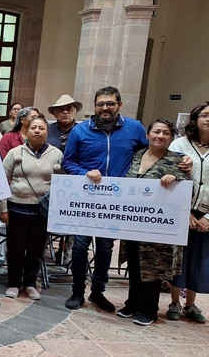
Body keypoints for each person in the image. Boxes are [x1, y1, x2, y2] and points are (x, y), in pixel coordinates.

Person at [62, 86, 150, 311]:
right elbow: (68, 161)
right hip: (86, 198)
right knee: (80, 245)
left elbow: (149, 156)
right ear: (95, 106)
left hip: (115, 201)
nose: (105, 108)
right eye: (100, 104)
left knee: (105, 248)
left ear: (119, 105)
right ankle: (77, 291)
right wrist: (85, 173)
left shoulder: (134, 128)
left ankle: (98, 292)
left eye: (110, 103)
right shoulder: (81, 130)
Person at [115, 118, 188, 326]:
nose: (160, 136)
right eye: (156, 132)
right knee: (135, 264)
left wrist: (176, 178)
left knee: (152, 267)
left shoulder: (177, 161)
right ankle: (133, 303)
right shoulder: (137, 155)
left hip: (158, 225)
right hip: (134, 221)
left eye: (166, 133)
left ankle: (150, 309)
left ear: (171, 137)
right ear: (147, 135)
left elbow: (186, 191)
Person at [0, 116, 62, 300]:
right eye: (33, 127)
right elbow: (2, 180)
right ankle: (13, 283)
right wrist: (3, 208)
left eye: (41, 128)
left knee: (36, 250)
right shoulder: (15, 152)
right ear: (26, 131)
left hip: (42, 211)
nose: (37, 131)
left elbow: (61, 183)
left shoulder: (56, 153)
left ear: (47, 132)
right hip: (17, 208)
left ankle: (29, 283)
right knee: (16, 248)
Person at [167, 101, 209, 324]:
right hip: (181, 210)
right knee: (178, 258)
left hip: (206, 215)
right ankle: (174, 301)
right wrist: (185, 213)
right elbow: (171, 178)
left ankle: (190, 304)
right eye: (204, 115)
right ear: (195, 119)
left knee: (198, 260)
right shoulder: (180, 145)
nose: (208, 119)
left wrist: (208, 217)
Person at [46, 94, 82, 266]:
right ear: (54, 113)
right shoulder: (47, 129)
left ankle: (65, 250)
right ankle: (44, 249)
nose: (65, 112)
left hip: (74, 182)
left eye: (69, 109)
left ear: (75, 112)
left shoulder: (82, 130)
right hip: (48, 182)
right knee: (45, 215)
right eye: (61, 109)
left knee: (72, 219)